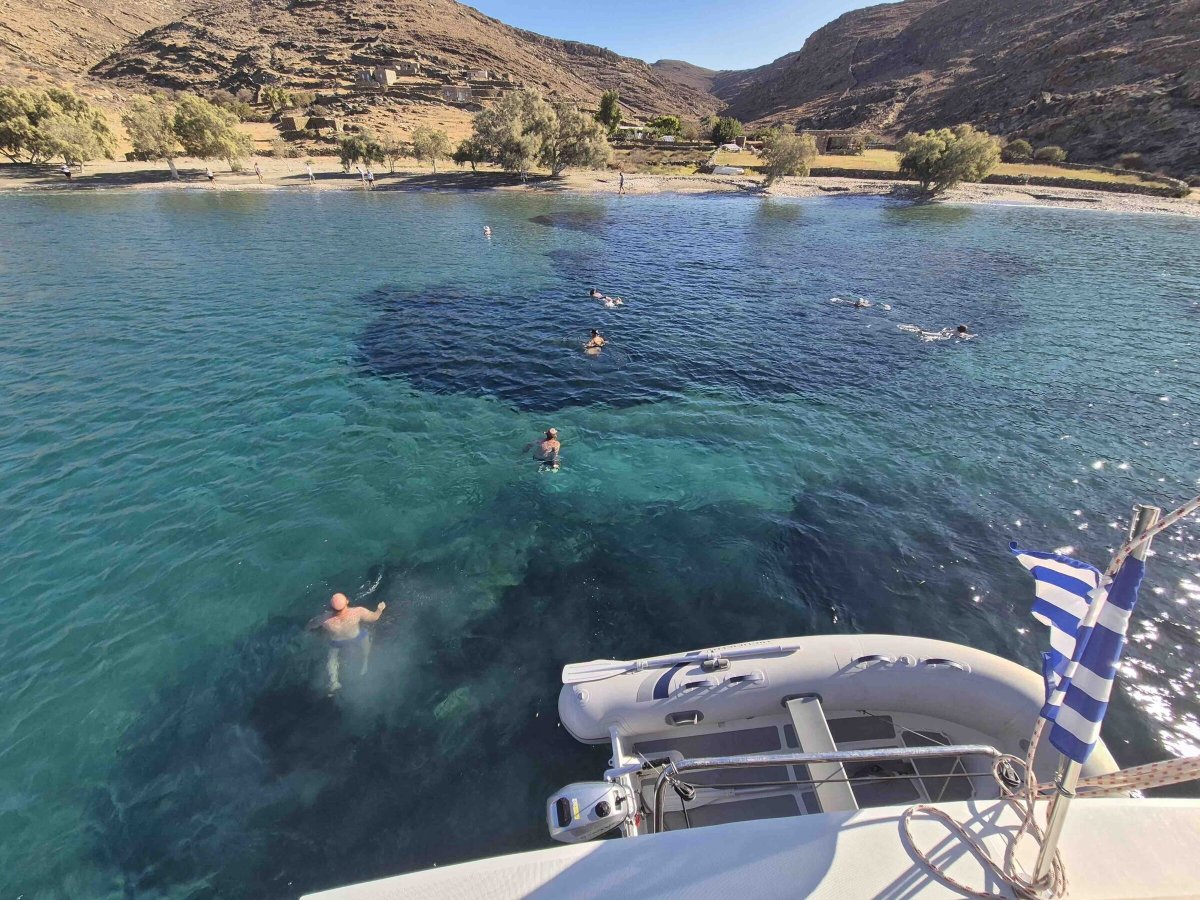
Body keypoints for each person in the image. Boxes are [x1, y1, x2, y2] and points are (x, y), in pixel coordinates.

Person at [308, 592, 387, 693]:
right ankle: (365, 663)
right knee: (365, 637)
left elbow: (310, 626)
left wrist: (308, 629)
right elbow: (374, 617)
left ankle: (333, 682)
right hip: (356, 638)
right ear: (347, 601)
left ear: (331, 608)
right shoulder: (357, 612)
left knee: (332, 657)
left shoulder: (324, 619)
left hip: (337, 642)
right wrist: (380, 609)